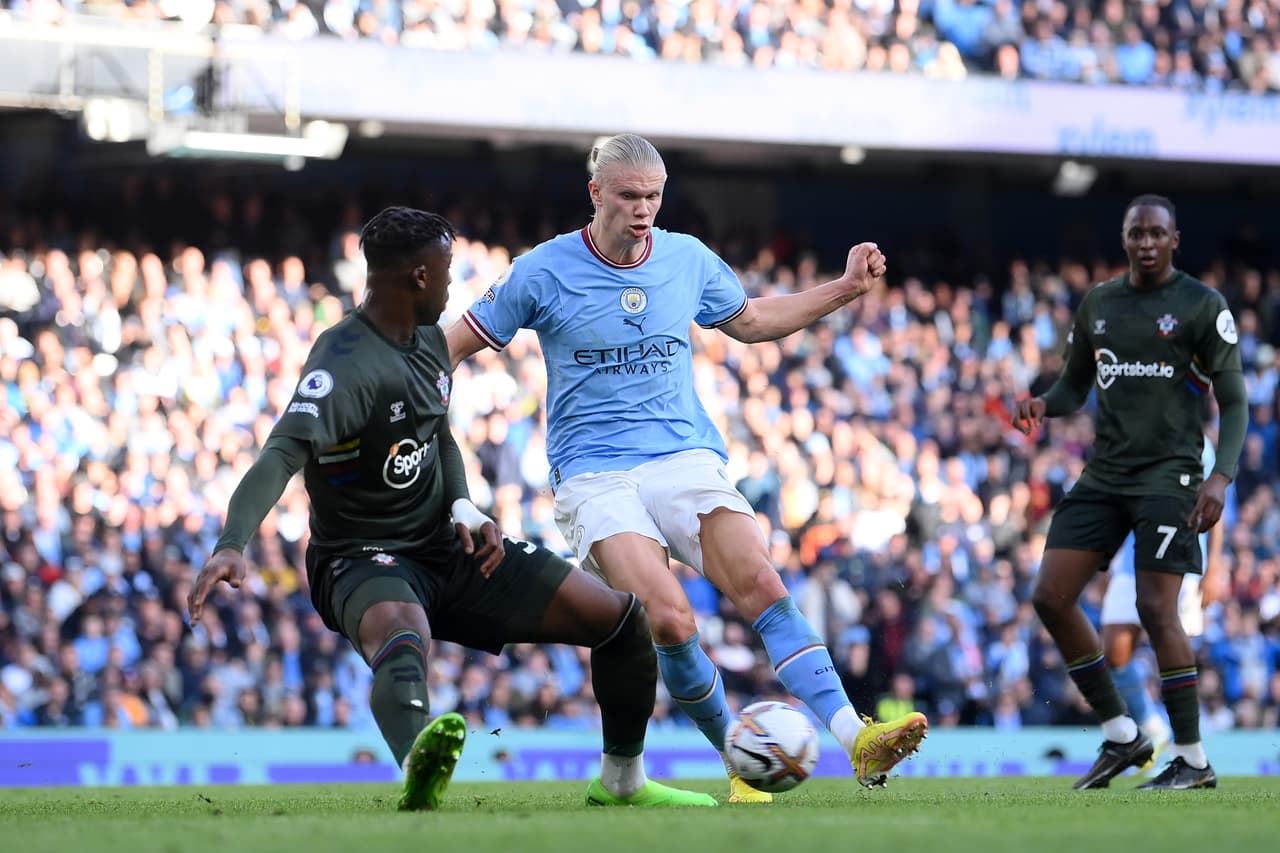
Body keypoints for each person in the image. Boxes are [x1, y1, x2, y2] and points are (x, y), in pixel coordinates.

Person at [446, 133, 928, 803]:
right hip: (595, 474)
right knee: (669, 618)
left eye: (653, 196)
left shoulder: (686, 259)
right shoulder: (543, 270)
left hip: (683, 457)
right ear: (595, 194)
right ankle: (740, 759)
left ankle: (856, 736)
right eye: (629, 196)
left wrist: (846, 288)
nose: (643, 209)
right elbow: (448, 347)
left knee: (760, 575)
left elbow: (753, 320)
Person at [187, 206, 716, 811]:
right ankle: (420, 769)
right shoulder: (345, 362)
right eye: (445, 271)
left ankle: (623, 783)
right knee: (403, 634)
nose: (450, 284)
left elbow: (436, 435)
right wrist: (232, 541)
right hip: (362, 558)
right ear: (417, 277)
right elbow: (282, 452)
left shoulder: (430, 346)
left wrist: (464, 505)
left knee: (623, 621)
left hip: (447, 545)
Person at [1013, 194, 1246, 791]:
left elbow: (1236, 399)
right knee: (1050, 596)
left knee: (1154, 608)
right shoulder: (1100, 304)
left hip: (1171, 476)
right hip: (1106, 474)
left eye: (1155, 233)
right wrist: (1044, 404)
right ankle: (1123, 735)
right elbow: (1073, 385)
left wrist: (1220, 476)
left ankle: (1193, 761)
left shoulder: (1201, 305)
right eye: (1135, 233)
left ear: (1174, 239)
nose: (1145, 242)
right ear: (1124, 239)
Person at [1100, 437, 1228, 770]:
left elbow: (1216, 507)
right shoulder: (1129, 434)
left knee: (1171, 654)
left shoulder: (1198, 445)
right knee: (1114, 649)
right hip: (1131, 559)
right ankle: (1152, 725)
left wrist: (1214, 566)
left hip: (1178, 561)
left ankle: (1185, 747)